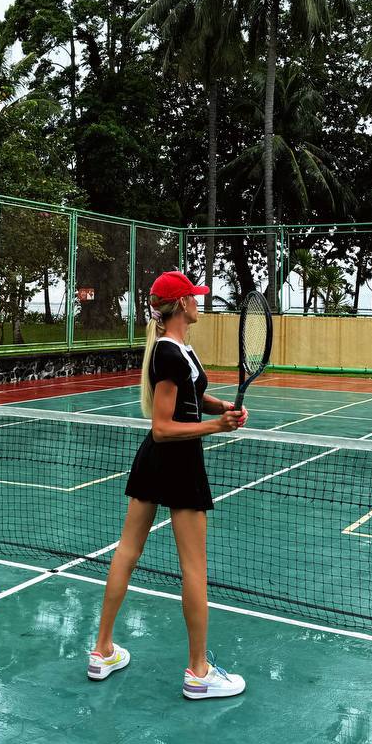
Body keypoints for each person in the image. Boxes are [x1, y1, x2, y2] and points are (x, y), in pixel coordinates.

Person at [87, 271, 248, 699]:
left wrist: (222, 407)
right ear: (180, 306)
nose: (199, 301)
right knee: (193, 568)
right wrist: (215, 426)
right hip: (176, 460)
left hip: (159, 462)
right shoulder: (169, 354)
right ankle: (198, 672)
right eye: (193, 296)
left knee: (127, 552)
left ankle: (102, 652)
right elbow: (161, 427)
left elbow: (189, 397)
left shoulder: (177, 349)